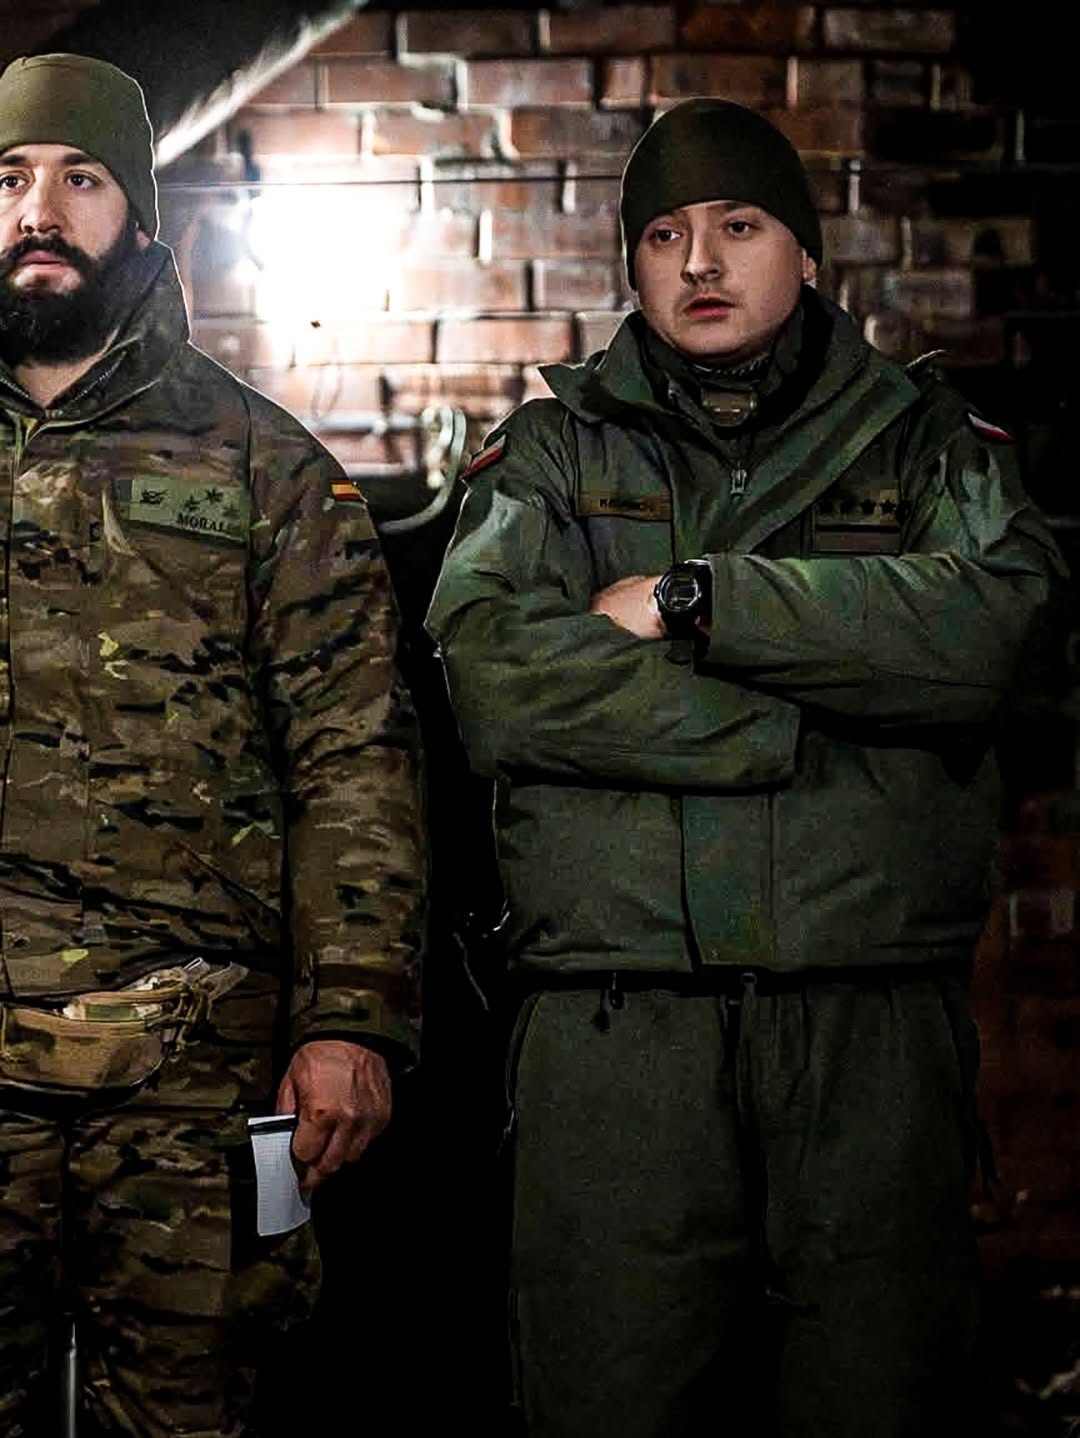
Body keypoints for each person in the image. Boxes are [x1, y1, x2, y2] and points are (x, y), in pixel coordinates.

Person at [426, 98, 1064, 1438]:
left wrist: (703, 603)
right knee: (611, 1403)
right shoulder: (551, 452)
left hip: (867, 1036)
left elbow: (991, 633)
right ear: (632, 263)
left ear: (807, 252)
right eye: (664, 235)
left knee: (879, 1401)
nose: (701, 261)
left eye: (739, 225)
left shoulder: (923, 442)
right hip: (619, 1039)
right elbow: (494, 677)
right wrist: (813, 719)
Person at [0, 53, 424, 1438]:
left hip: (197, 1064)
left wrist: (350, 1016)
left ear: (140, 212)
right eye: (9, 178)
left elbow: (353, 754)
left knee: (190, 1416)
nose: (38, 211)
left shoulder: (265, 467)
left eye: (81, 178)